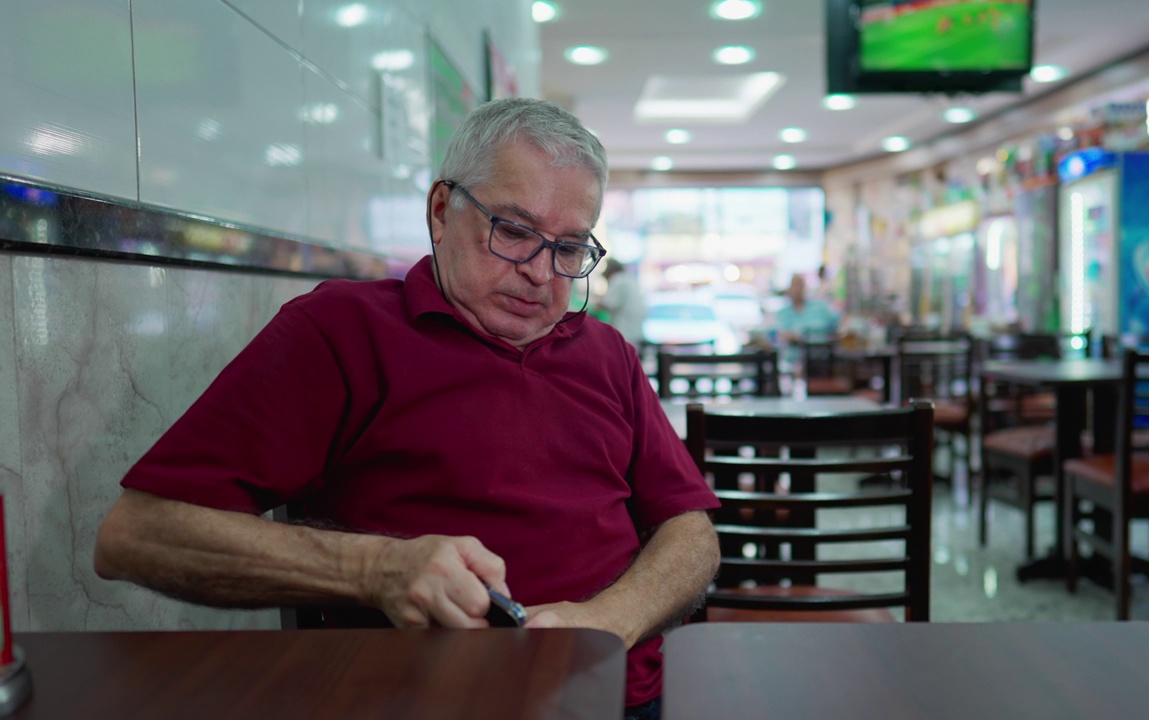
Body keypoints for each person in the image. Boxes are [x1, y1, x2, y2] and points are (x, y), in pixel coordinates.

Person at [93, 97, 720, 720]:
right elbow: (137, 534)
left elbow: (691, 532)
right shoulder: (342, 330)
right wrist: (377, 567)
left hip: (622, 696)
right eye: (514, 232)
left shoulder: (604, 351)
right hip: (421, 698)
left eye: (568, 249)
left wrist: (609, 621)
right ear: (442, 211)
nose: (540, 274)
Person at [599, 259, 647, 349]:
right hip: (635, 332)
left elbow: (607, 304)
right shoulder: (629, 278)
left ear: (610, 270)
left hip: (626, 332)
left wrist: (587, 303)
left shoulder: (618, 279)